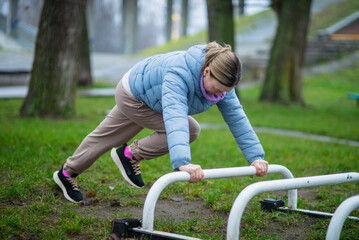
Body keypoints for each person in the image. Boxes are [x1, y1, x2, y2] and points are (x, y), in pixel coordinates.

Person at [53, 42, 268, 203]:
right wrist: (183, 162)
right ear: (207, 71)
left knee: (106, 136)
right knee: (191, 129)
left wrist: (255, 157)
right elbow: (175, 118)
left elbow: (237, 118)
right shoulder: (179, 75)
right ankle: (128, 156)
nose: (220, 95)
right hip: (133, 94)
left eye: (225, 92)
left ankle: (67, 173)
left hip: (150, 95)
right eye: (218, 89)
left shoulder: (223, 83)